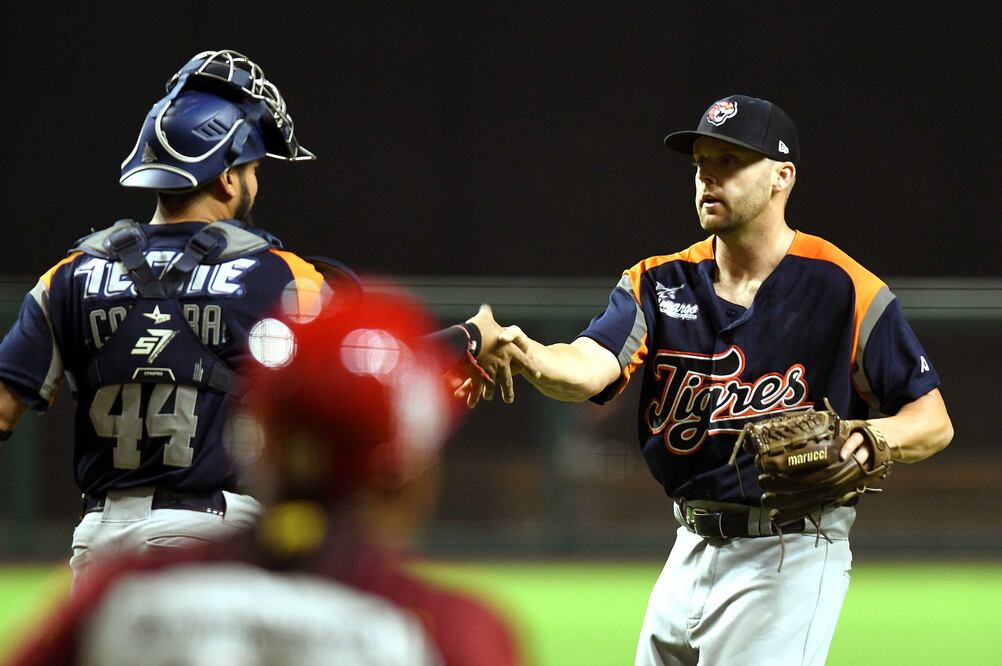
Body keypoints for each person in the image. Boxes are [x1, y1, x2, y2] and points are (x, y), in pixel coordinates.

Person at [472, 95, 954, 665]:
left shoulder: (845, 287)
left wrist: (867, 438)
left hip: (790, 552)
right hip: (688, 547)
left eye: (730, 161)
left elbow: (933, 420)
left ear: (781, 176)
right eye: (702, 161)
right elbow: (586, 365)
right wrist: (528, 354)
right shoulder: (659, 280)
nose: (708, 175)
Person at [0, 48, 507, 585]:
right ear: (225, 178)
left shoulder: (69, 276)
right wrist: (472, 338)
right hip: (213, 542)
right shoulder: (279, 276)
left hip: (100, 547)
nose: (255, 182)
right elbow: (375, 370)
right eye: (253, 168)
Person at [7, 292, 523, 666]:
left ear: (255, 448)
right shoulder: (444, 632)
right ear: (409, 480)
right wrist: (468, 338)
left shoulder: (119, 598)